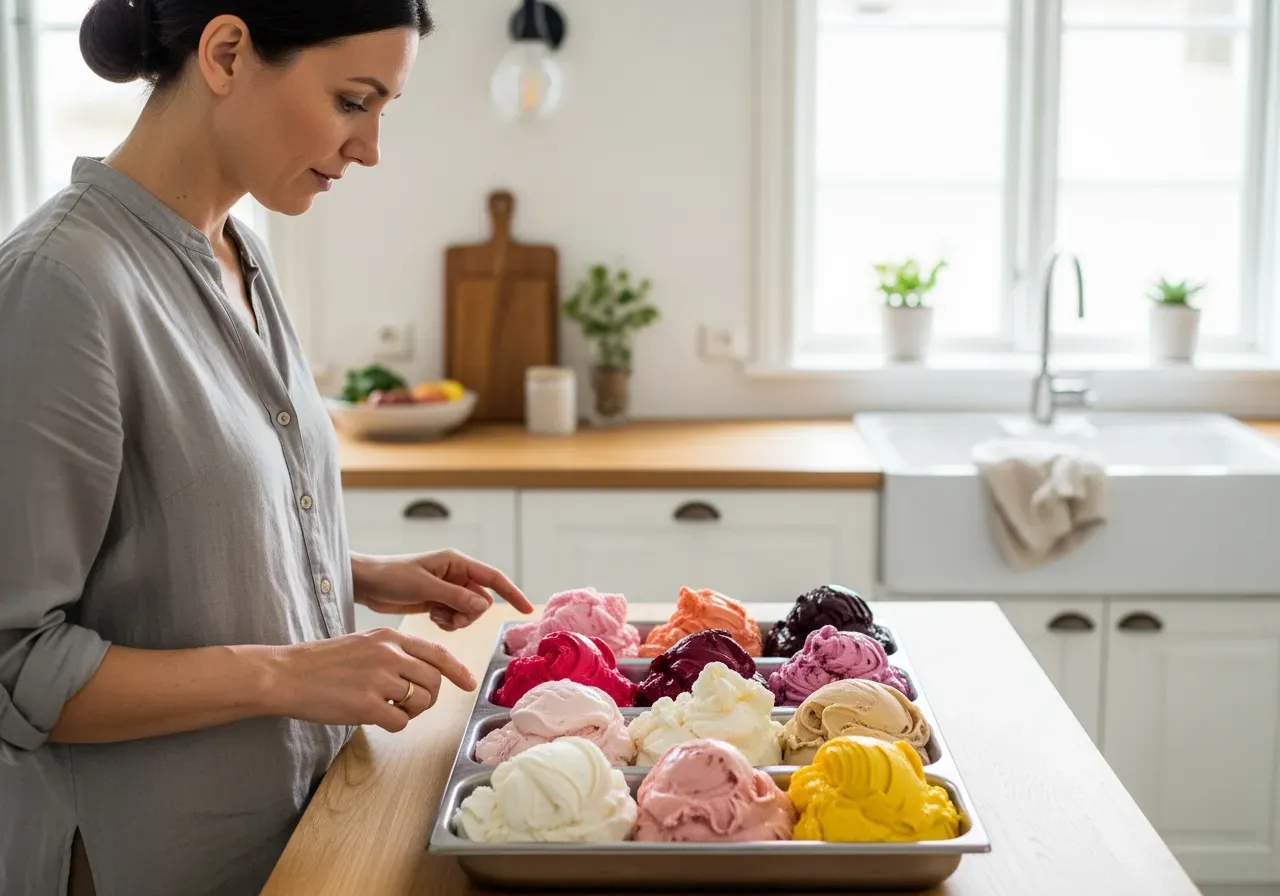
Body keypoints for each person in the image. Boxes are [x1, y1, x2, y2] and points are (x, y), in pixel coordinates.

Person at [0, 2, 532, 894]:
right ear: (227, 51)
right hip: (147, 863)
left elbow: (158, 531)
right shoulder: (59, 287)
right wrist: (290, 672)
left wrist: (351, 568)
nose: (368, 149)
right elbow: (18, 661)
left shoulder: (236, 252)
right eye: (352, 101)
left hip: (292, 837)